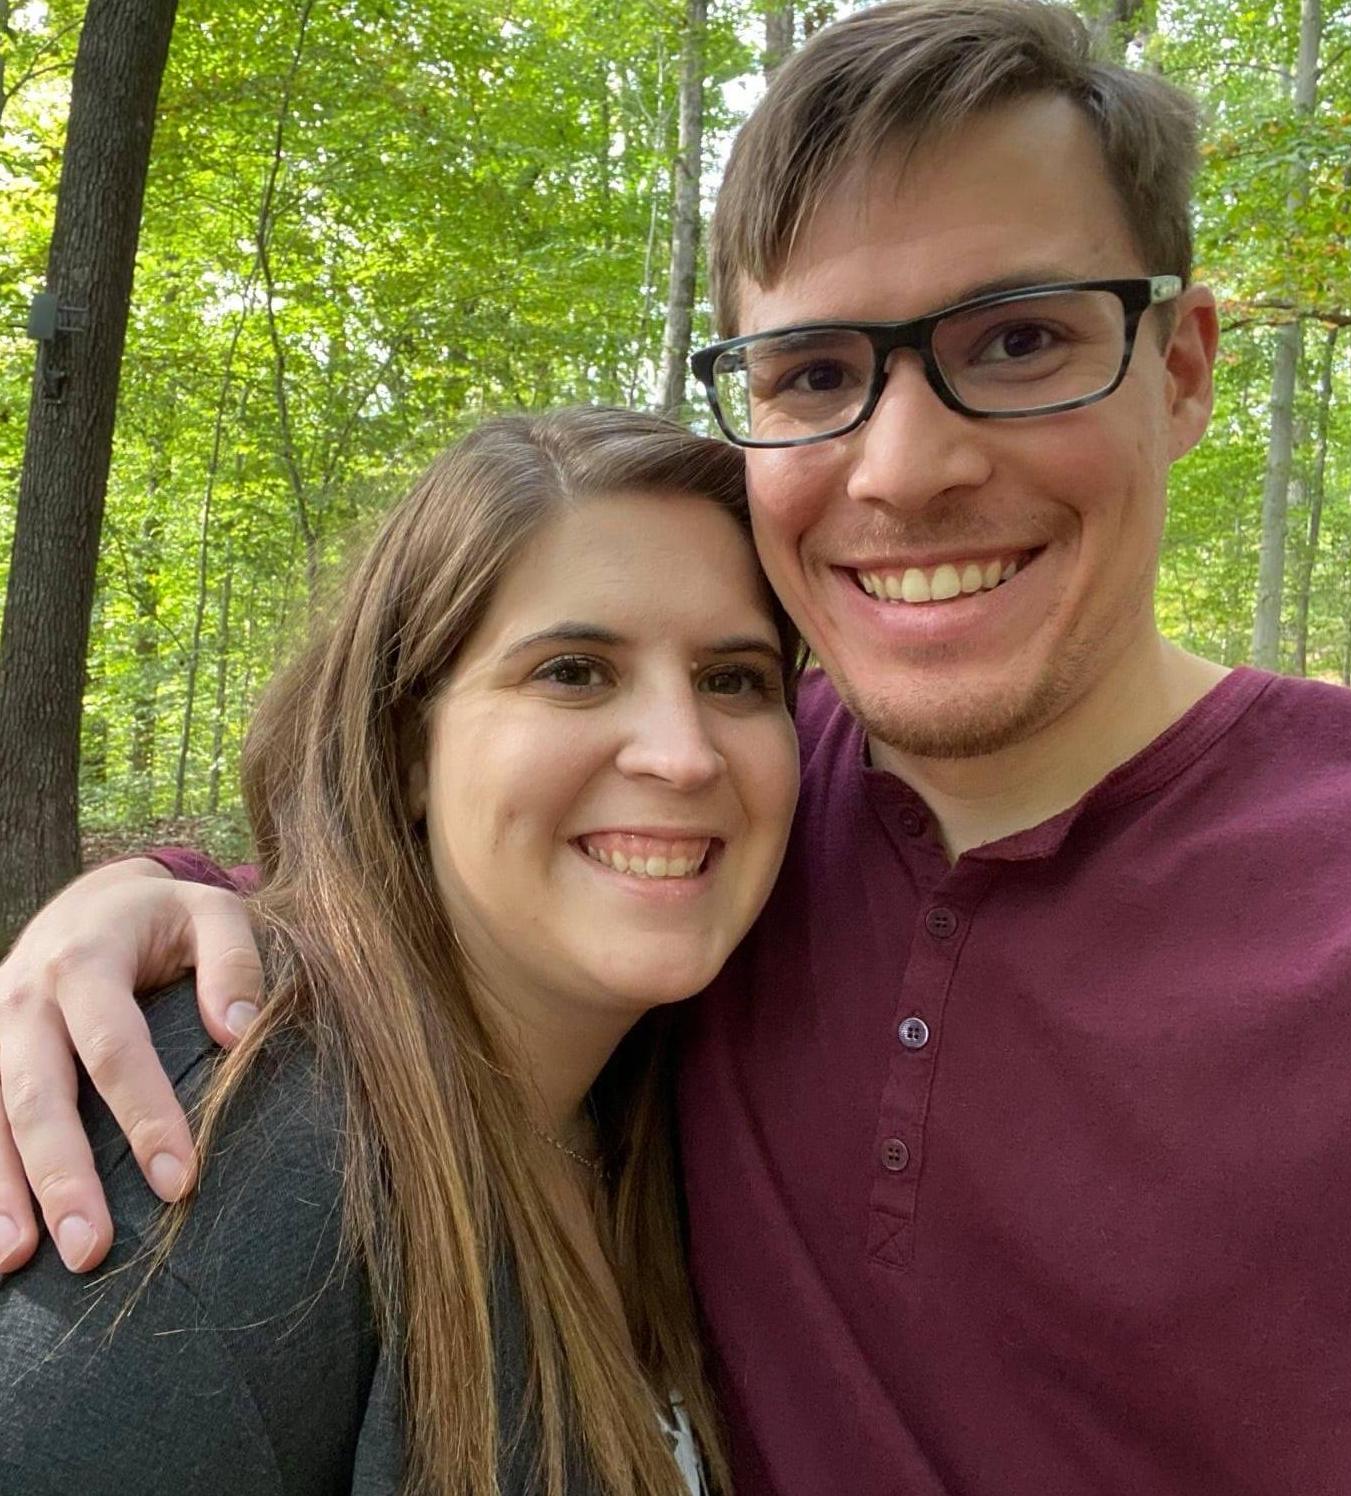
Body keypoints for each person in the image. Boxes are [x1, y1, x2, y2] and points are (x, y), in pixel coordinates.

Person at [5, 2, 1351, 1492]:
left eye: (1024, 338)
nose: (906, 470)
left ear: (1180, 370)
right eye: (815, 373)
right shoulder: (737, 831)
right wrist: (162, 917)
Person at [0, 406, 803, 1495]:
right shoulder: (221, 1164)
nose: (681, 752)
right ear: (404, 744)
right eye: (574, 669)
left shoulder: (654, 1109)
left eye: (734, 678)